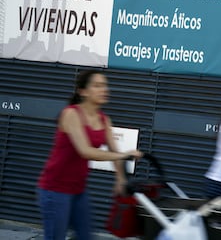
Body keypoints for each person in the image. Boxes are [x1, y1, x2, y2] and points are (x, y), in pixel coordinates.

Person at [37, 70, 142, 240]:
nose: (104, 89)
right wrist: (123, 155)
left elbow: (113, 151)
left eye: (105, 85)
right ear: (83, 91)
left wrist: (121, 179)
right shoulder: (71, 114)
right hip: (55, 189)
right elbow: (85, 151)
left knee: (86, 237)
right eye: (97, 85)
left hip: (78, 189)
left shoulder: (104, 119)